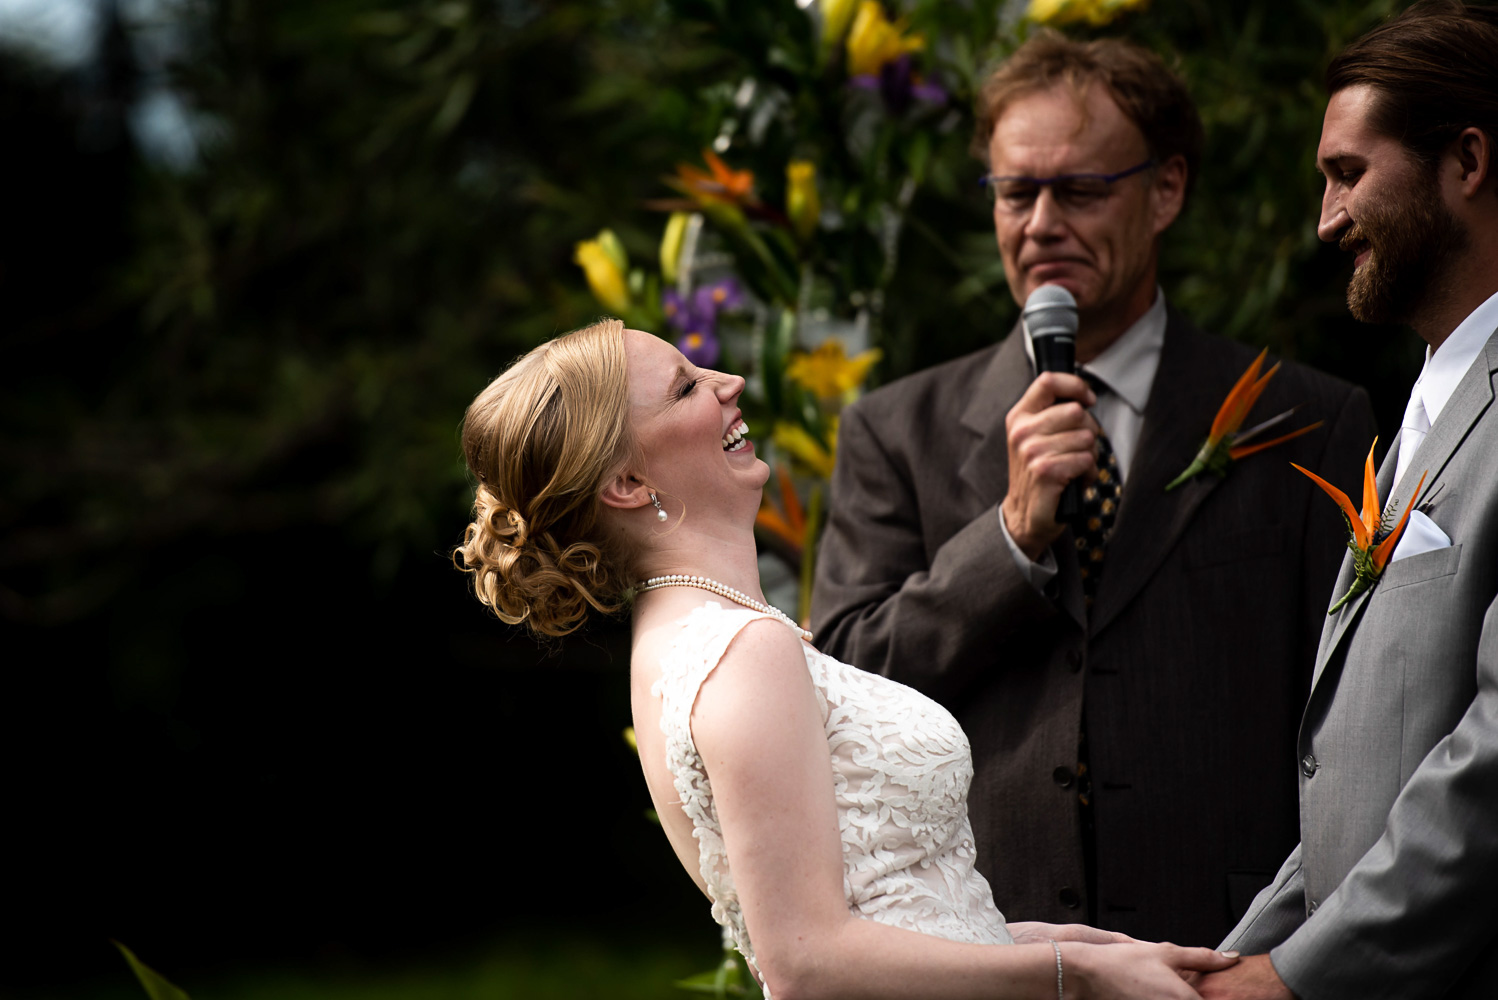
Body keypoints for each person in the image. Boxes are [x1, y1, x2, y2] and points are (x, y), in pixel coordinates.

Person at [453, 317, 1239, 999]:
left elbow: (888, 914)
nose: (730, 383)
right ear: (627, 480)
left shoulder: (681, 641)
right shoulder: (739, 650)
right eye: (688, 388)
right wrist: (1076, 976)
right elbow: (806, 963)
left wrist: (1070, 947)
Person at [809, 32, 1377, 947]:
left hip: (1229, 943)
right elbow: (842, 686)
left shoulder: (1311, 418)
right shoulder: (895, 431)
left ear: (1165, 190)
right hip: (985, 945)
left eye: (1077, 190)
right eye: (1014, 192)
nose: (1039, 223)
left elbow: (1354, 714)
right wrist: (1006, 541)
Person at [1200, 3, 1498, 997]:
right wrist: (1230, 963)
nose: (1326, 221)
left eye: (1347, 174)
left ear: (1466, 161)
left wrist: (1291, 980)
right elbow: (1362, 781)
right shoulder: (1426, 408)